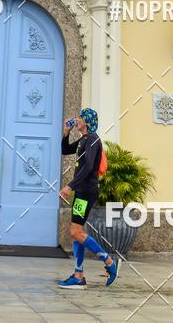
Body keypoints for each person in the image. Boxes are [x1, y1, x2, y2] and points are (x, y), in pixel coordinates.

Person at [57, 109, 118, 289]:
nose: (77, 120)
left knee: (75, 232)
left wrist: (70, 186)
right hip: (82, 191)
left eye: (80, 118)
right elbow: (65, 150)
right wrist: (66, 133)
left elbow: (89, 166)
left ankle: (108, 261)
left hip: (86, 192)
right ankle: (78, 275)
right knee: (77, 231)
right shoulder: (84, 139)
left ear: (87, 122)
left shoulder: (93, 140)